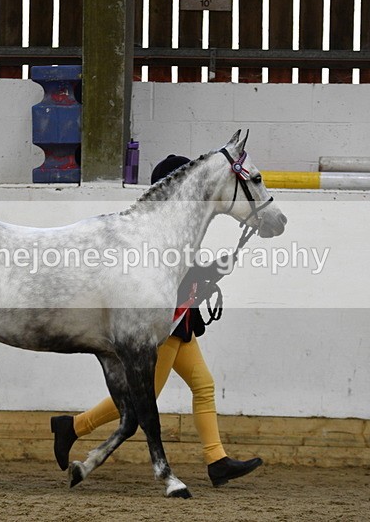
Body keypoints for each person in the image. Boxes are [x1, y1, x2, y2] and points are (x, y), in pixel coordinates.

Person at [51, 155, 263, 487]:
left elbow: (185, 274)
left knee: (203, 385)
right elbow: (171, 280)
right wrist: (209, 272)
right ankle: (74, 427)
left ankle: (217, 460)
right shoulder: (156, 232)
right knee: (143, 396)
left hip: (182, 323)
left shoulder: (177, 229)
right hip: (163, 327)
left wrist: (211, 272)